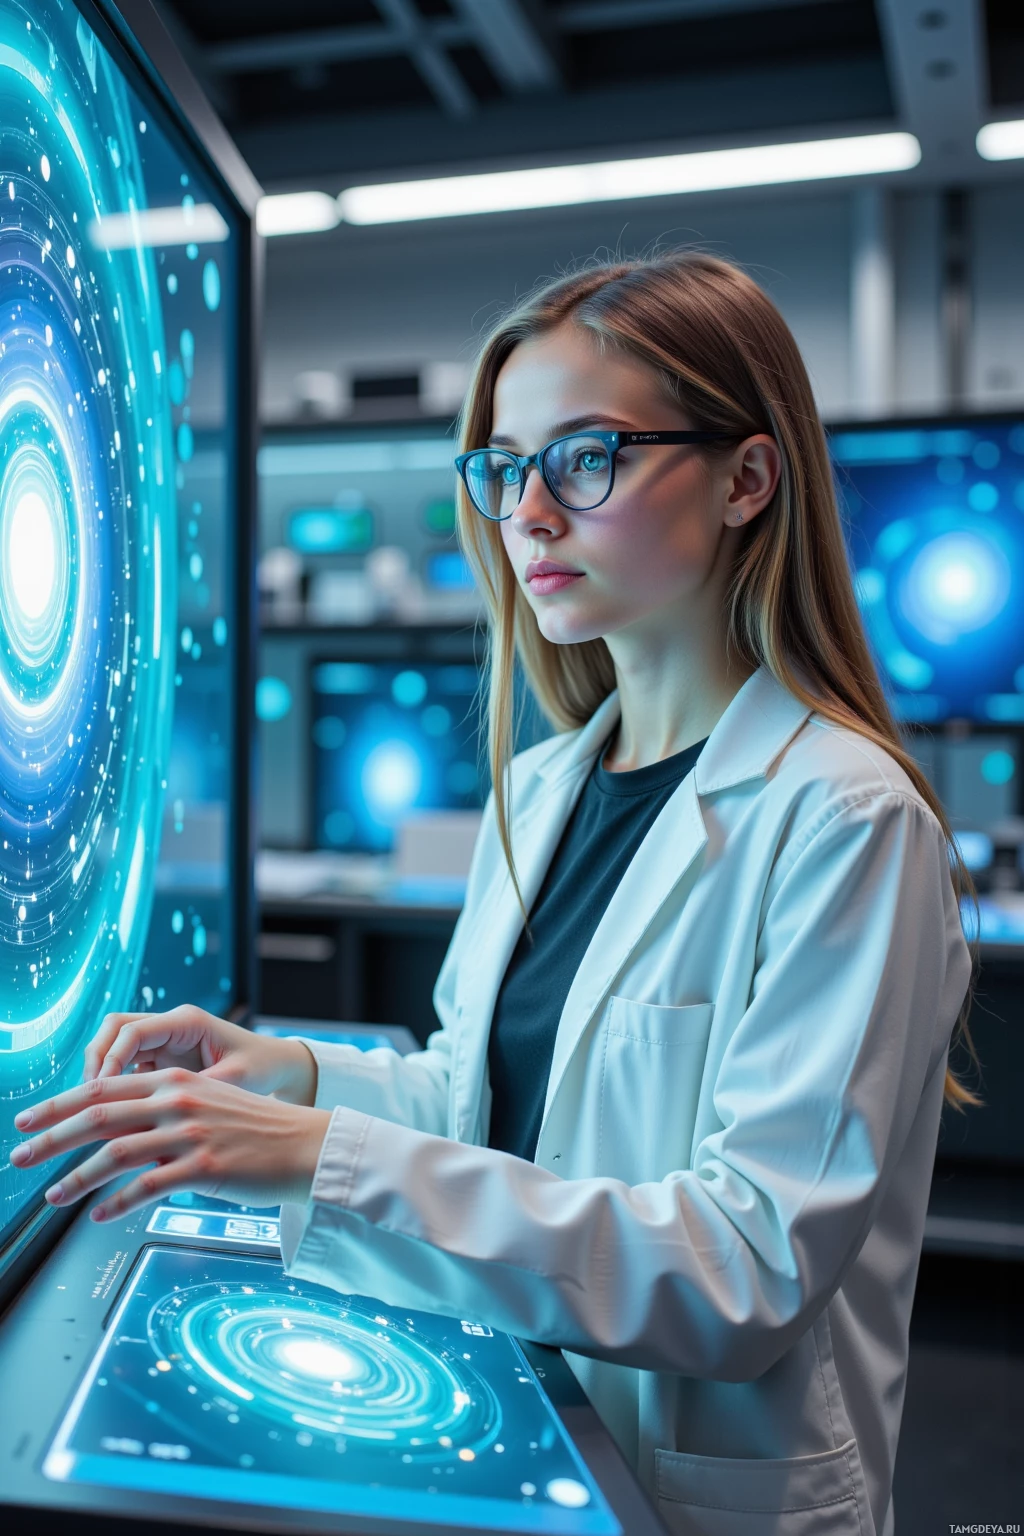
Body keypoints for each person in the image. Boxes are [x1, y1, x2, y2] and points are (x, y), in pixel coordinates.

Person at [11, 252, 976, 1536]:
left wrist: (315, 1156)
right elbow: (486, 1111)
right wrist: (293, 1076)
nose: (528, 513)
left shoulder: (845, 819)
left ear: (747, 479)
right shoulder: (544, 785)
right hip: (541, 1414)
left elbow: (745, 1272)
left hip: (710, 1493)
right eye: (505, 467)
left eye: (585, 459)